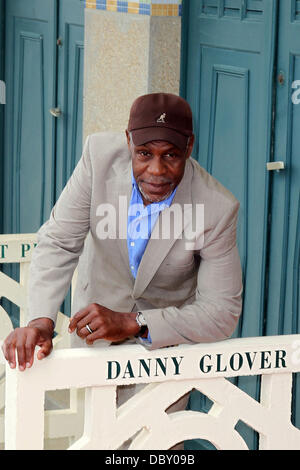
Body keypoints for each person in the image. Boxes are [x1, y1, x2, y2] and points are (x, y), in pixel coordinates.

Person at [2, 92, 243, 371]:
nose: (156, 170)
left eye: (171, 156)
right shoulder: (98, 157)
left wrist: (135, 322)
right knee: (91, 417)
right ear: (128, 140)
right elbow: (59, 242)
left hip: (164, 358)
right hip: (92, 344)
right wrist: (41, 321)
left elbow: (221, 312)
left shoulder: (217, 208)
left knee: (153, 418)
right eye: (144, 154)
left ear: (189, 148)